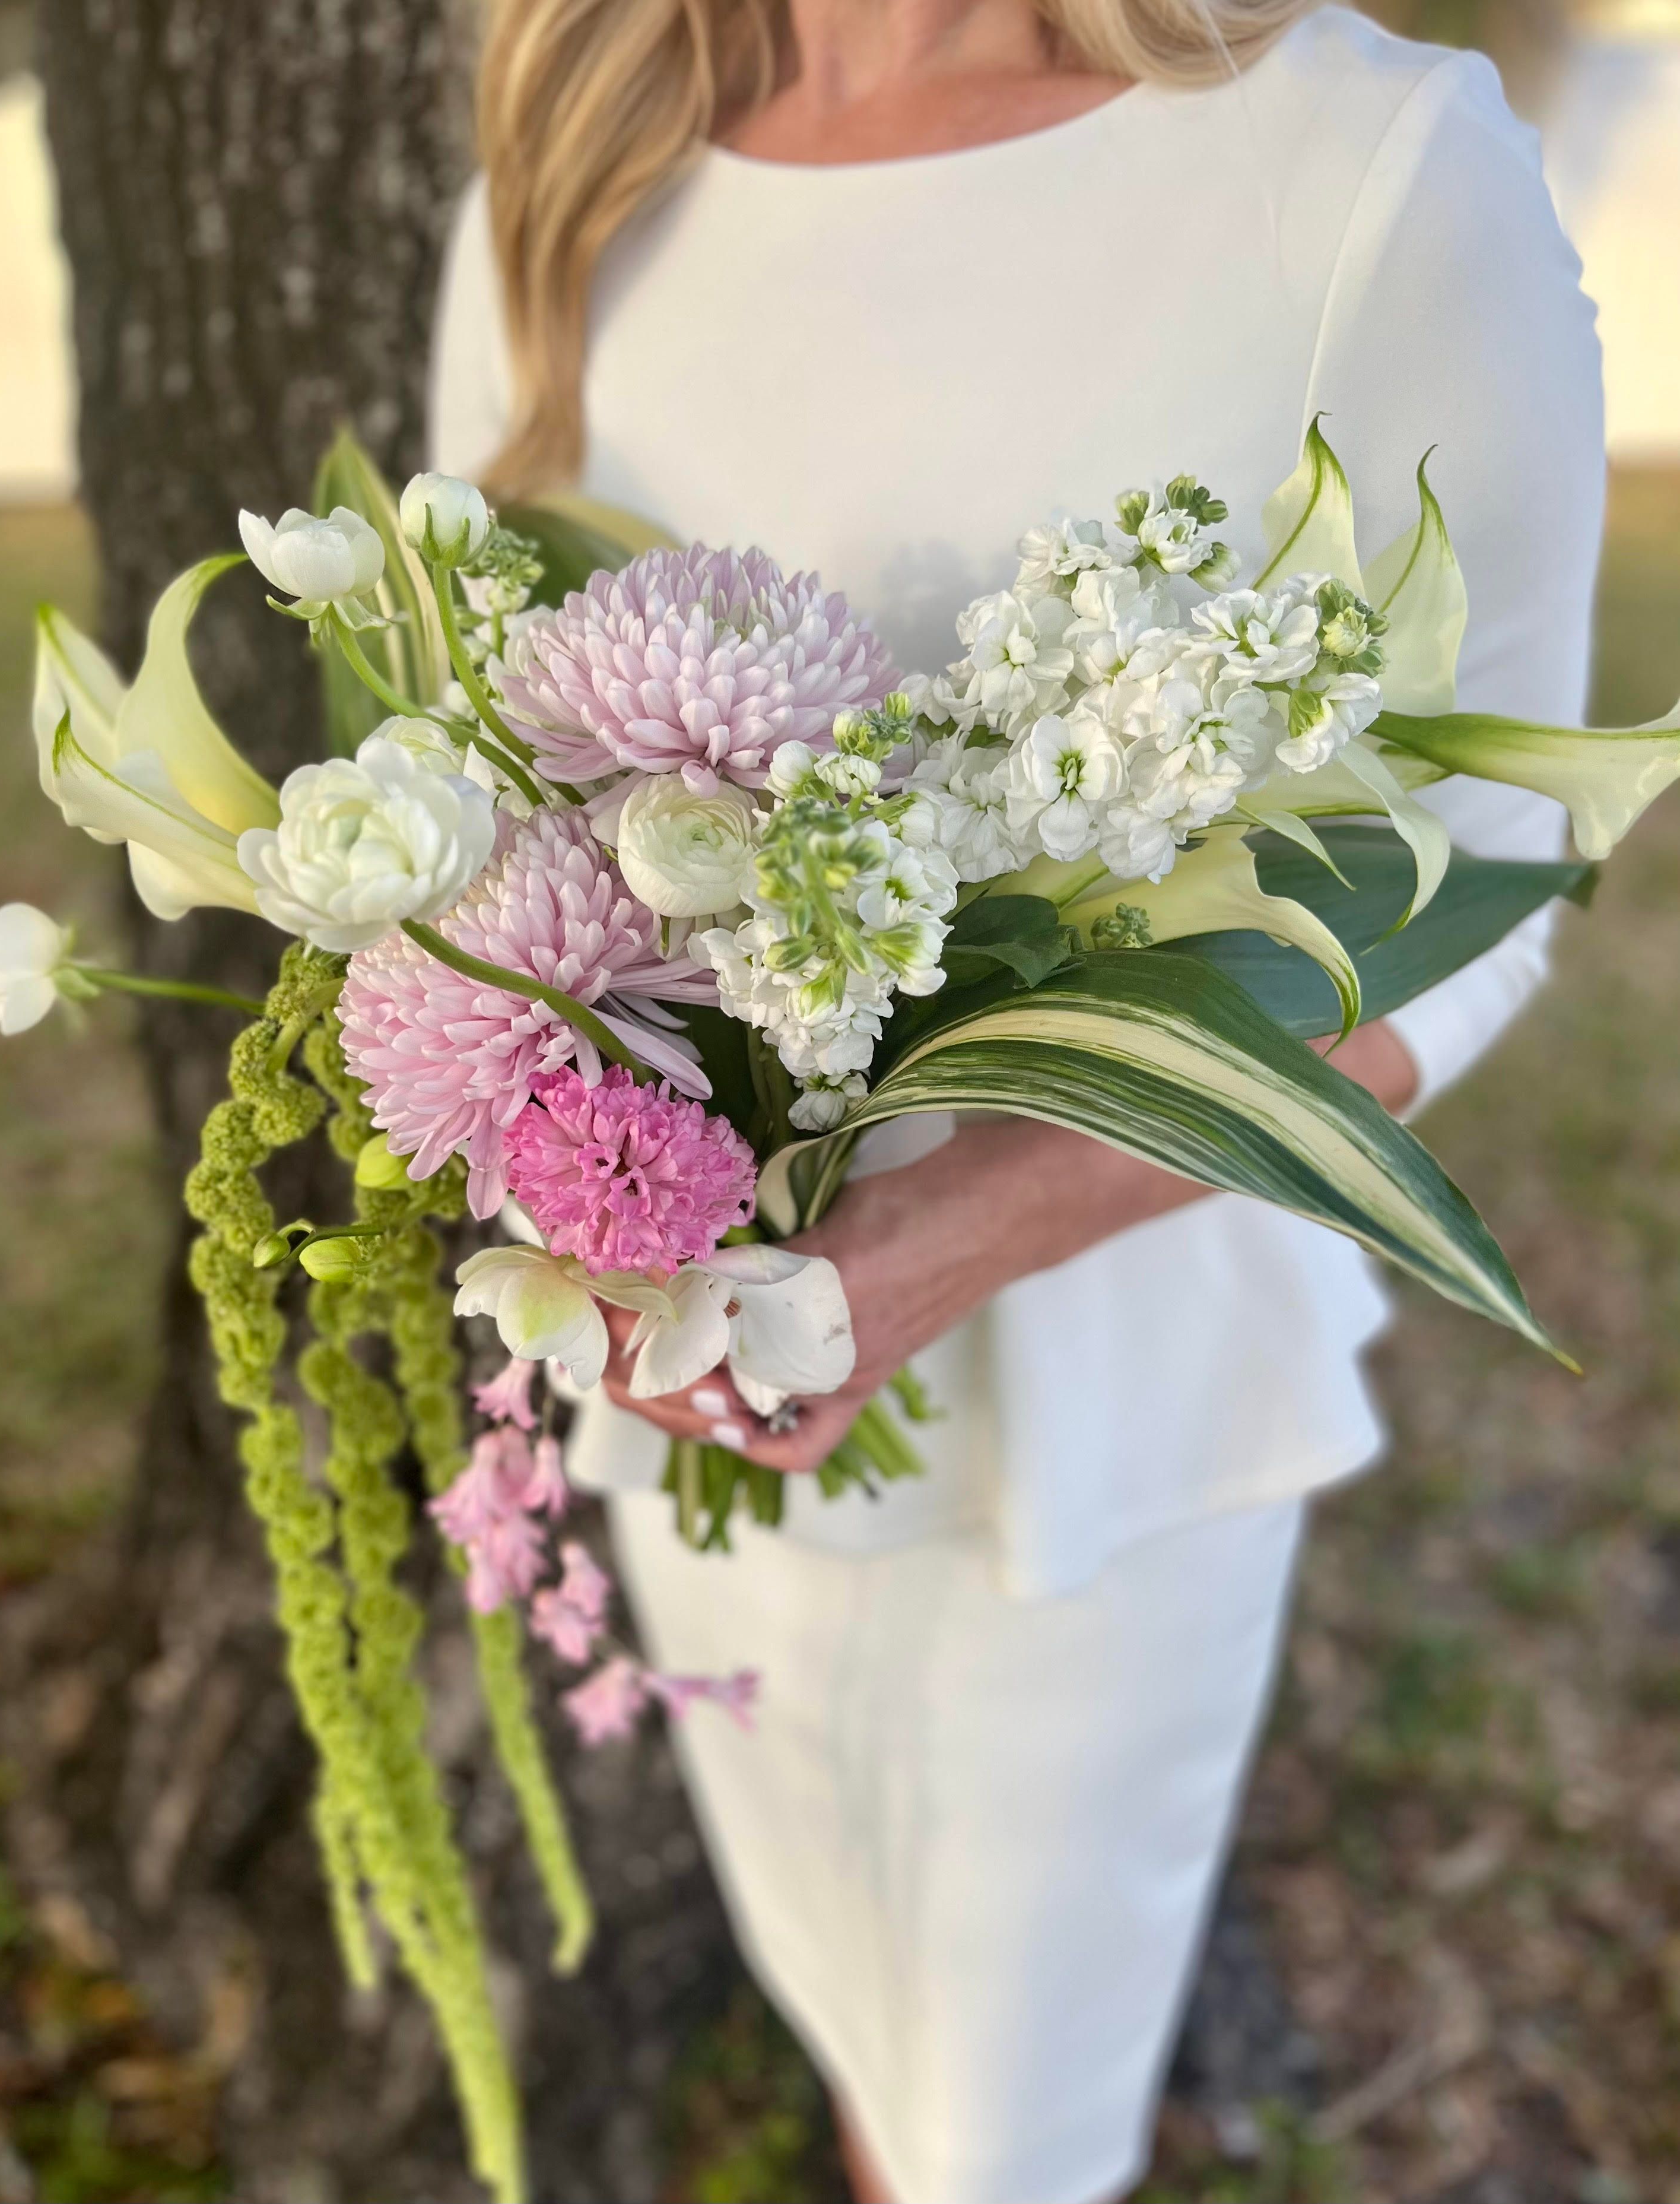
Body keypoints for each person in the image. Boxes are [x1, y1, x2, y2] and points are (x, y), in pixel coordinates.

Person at [429, 0, 1604, 2194]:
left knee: (1002, 2145)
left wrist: (951, 1231)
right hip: (689, 1374)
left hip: (1101, 1416)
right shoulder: (582, 138)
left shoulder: (1364, 171)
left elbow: (1489, 893)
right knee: (853, 2018)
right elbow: (475, 757)